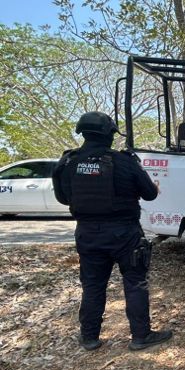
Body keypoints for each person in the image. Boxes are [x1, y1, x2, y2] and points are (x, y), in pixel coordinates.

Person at [52, 111, 173, 351]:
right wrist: (154, 187)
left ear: (83, 133)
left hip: (88, 234)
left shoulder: (68, 162)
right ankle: (140, 336)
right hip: (125, 235)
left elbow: (63, 198)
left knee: (93, 286)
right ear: (109, 134)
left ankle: (89, 337)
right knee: (135, 283)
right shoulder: (124, 161)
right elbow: (149, 194)